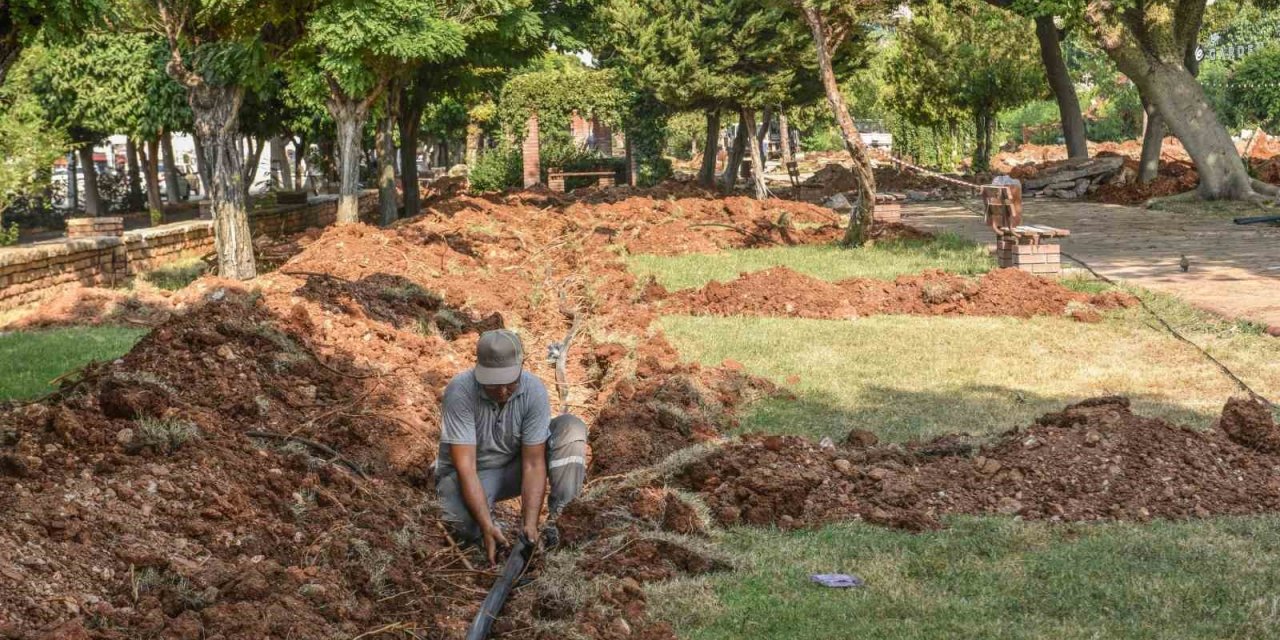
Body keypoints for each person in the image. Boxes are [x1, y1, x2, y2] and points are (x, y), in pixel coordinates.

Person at [435, 329, 587, 564]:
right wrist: (486, 525)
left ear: (521, 365)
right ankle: (487, 531)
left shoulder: (533, 390)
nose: (503, 391)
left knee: (571, 428)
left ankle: (562, 525)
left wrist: (529, 525)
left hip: (514, 468)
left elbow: (534, 463)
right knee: (459, 523)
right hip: (472, 474)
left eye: (510, 383)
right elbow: (466, 467)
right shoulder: (460, 392)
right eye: (493, 384)